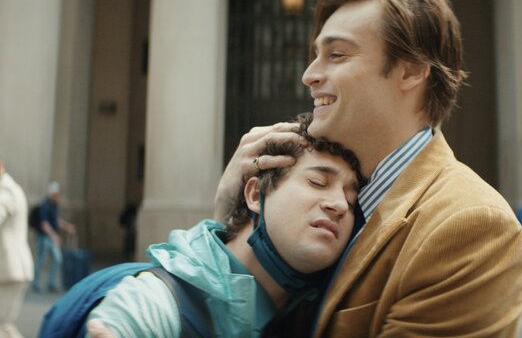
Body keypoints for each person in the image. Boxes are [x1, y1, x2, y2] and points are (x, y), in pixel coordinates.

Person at [214, 0, 522, 337]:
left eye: (336, 55)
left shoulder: (472, 226)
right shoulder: (314, 201)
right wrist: (226, 219)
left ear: (411, 71)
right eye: (316, 56)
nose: (308, 75)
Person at [86, 113, 365, 337]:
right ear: (254, 195)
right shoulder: (155, 301)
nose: (340, 205)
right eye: (318, 182)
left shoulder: (317, 316)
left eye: (351, 202)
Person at [0, 157, 33, 338]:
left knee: (2, 325)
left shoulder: (6, 190)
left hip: (10, 270)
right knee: (4, 326)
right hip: (9, 270)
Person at [32, 181, 76, 292]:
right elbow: (44, 224)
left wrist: (67, 227)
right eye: (57, 194)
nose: (59, 196)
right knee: (41, 260)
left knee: (57, 258)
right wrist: (54, 236)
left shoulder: (54, 205)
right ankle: (36, 283)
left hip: (51, 237)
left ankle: (51, 283)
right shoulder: (45, 205)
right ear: (53, 194)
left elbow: (56, 220)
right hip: (44, 237)